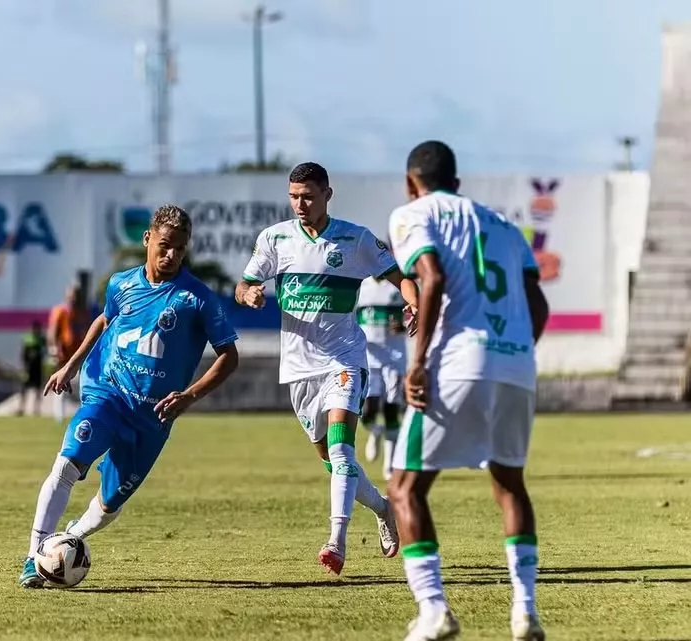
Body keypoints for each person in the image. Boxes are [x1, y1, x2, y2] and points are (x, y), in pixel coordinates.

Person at [18, 204, 240, 588]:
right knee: (68, 462)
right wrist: (71, 366)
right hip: (108, 394)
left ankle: (71, 538)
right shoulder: (121, 284)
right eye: (165, 245)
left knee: (108, 505)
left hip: (153, 417)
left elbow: (229, 356)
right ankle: (34, 555)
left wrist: (189, 396)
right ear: (147, 239)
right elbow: (105, 319)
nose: (171, 255)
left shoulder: (198, 299)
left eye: (180, 249)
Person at [386, 141, 549, 641]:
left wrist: (418, 364)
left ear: (412, 182)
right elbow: (537, 305)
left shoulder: (412, 213)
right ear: (456, 183)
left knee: (404, 487)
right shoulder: (503, 226)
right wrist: (514, 351)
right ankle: (525, 611)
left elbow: (429, 277)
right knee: (509, 484)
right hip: (517, 365)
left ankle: (433, 609)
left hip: (457, 364)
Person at [235, 162, 419, 576]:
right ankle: (384, 508)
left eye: (309, 196)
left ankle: (336, 542)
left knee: (340, 450)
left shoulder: (354, 239)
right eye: (294, 196)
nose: (300, 204)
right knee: (333, 461)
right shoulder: (275, 238)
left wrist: (415, 301)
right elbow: (243, 284)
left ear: (327, 195)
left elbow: (400, 277)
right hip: (299, 370)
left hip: (344, 359)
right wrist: (248, 294)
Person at [357, 263, 409, 481]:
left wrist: (404, 327)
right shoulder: (361, 287)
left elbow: (419, 312)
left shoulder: (399, 287)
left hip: (394, 358)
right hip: (369, 357)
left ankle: (390, 464)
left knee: (391, 409)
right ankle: (375, 431)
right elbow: (350, 319)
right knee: (367, 410)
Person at [47, 284, 92, 423]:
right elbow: (53, 332)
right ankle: (59, 416)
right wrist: (54, 349)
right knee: (61, 384)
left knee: (82, 385)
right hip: (64, 355)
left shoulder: (82, 313)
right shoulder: (60, 311)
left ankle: (81, 415)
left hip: (79, 356)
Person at [19, 321, 46, 417]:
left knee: (38, 389)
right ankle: (21, 408)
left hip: (38, 368)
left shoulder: (42, 340)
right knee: (24, 389)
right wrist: (24, 368)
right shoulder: (28, 339)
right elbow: (23, 354)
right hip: (29, 368)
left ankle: (36, 409)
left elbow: (45, 352)